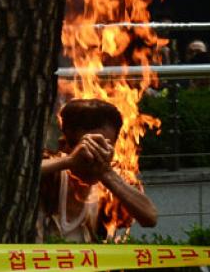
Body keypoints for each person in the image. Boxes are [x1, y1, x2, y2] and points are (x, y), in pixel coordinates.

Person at [36, 99, 158, 242]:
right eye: (89, 148)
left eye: (104, 147)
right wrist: (69, 161)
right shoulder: (53, 169)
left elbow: (150, 217)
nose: (95, 156)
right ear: (65, 145)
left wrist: (106, 173)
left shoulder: (113, 179)